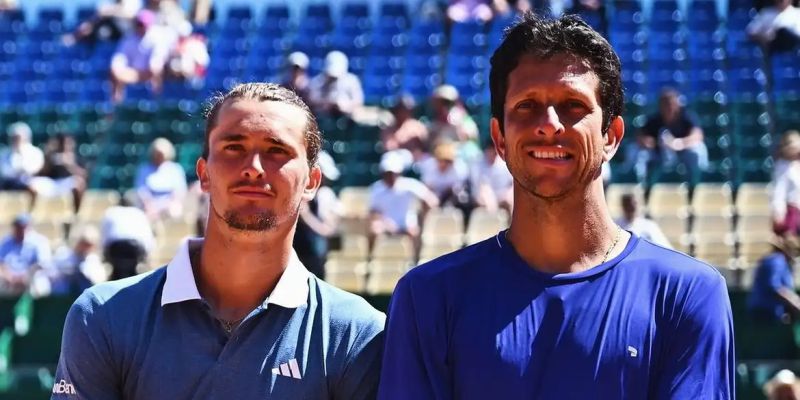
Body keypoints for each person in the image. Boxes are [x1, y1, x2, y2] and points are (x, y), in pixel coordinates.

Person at [379, 13, 734, 399]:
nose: (549, 124)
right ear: (499, 138)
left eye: (572, 105)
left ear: (612, 136)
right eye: (527, 106)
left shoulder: (686, 295)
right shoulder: (428, 297)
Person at [53, 83, 384, 399]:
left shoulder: (358, 334)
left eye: (276, 150)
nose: (253, 168)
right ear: (203, 174)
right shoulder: (102, 316)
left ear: (312, 182)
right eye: (233, 147)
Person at [622, 88, 708, 186]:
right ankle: (639, 184)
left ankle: (697, 184)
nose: (669, 107)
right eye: (665, 104)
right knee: (637, 151)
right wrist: (654, 143)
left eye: (671, 103)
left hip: (683, 153)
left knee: (698, 150)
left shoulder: (686, 117)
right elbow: (640, 136)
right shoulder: (654, 120)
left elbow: (697, 135)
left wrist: (678, 143)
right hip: (658, 155)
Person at [368, 151, 439, 262]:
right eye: (388, 173)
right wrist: (386, 224)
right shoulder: (376, 189)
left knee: (414, 232)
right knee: (375, 229)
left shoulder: (409, 185)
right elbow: (373, 213)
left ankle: (415, 261)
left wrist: (422, 218)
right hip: (386, 225)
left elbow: (431, 200)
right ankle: (372, 261)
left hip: (406, 226)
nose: (391, 177)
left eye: (393, 173)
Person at [293, 151, 343, 279]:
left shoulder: (325, 196)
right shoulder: (295, 196)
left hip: (314, 261)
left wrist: (306, 216)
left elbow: (328, 230)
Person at [109, 9, 174, 103]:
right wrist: (134, 74)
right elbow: (117, 62)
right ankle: (117, 108)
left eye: (143, 24)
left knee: (156, 71)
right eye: (139, 24)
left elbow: (155, 66)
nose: (141, 27)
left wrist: (141, 74)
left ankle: (156, 102)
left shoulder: (157, 38)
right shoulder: (128, 39)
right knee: (115, 73)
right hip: (132, 74)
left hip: (149, 75)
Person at [29, 133, 87, 214]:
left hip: (66, 182)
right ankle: (32, 212)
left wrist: (69, 165)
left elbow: (83, 175)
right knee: (32, 184)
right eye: (61, 143)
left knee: (79, 183)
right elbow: (42, 172)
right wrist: (49, 158)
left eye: (67, 143)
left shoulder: (75, 157)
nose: (64, 145)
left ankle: (76, 213)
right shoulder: (50, 155)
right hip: (51, 182)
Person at [100, 197, 155, 280]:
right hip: (134, 249)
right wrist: (146, 255)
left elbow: (104, 235)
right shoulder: (139, 213)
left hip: (116, 248)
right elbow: (148, 238)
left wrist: (104, 254)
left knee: (119, 271)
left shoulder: (110, 212)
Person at [748, 236, 800, 323]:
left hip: (768, 313)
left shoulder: (780, 262)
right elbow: (775, 287)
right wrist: (795, 302)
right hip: (765, 313)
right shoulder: (777, 260)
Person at [134, 137, 188, 220]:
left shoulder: (175, 169)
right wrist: (149, 205)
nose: (159, 157)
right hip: (150, 205)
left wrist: (170, 204)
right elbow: (142, 191)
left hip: (170, 205)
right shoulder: (144, 169)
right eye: (157, 154)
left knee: (175, 212)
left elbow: (179, 191)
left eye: (161, 154)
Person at [0, 213, 52, 295]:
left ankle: (40, 306)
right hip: (10, 279)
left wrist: (26, 275)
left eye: (24, 227)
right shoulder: (6, 242)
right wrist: (9, 276)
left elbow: (42, 264)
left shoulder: (40, 241)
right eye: (18, 227)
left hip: (31, 277)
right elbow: (1, 263)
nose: (21, 230)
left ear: (30, 227)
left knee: (39, 281)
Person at [45, 226, 103, 296]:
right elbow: (51, 274)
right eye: (84, 243)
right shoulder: (63, 255)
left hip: (84, 296)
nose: (86, 248)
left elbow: (98, 281)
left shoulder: (93, 260)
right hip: (61, 296)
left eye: (89, 245)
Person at [307, 51, 365, 118]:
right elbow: (312, 101)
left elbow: (358, 101)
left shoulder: (352, 81)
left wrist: (345, 106)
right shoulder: (317, 82)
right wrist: (326, 104)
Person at [0, 122, 44, 204]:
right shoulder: (5, 153)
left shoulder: (35, 152)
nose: (16, 140)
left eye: (18, 137)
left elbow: (34, 169)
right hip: (9, 182)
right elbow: (4, 171)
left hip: (27, 181)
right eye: (14, 138)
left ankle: (31, 212)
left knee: (34, 188)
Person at [470, 140, 514, 213]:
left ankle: (513, 223)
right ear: (486, 151)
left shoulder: (504, 163)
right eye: (490, 150)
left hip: (502, 194)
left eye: (494, 151)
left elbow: (512, 184)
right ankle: (492, 222)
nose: (492, 153)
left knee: (512, 198)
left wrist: (509, 194)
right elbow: (477, 187)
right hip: (483, 196)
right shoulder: (477, 164)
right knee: (486, 194)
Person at [380, 94, 429, 160]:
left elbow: (426, 146)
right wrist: (404, 140)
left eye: (405, 110)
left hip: (416, 159)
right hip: (397, 159)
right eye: (400, 109)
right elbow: (389, 147)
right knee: (389, 159)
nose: (402, 112)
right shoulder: (389, 128)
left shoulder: (417, 126)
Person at [772, 130, 800, 235]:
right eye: (789, 143)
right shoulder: (782, 166)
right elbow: (779, 192)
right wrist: (779, 213)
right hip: (792, 212)